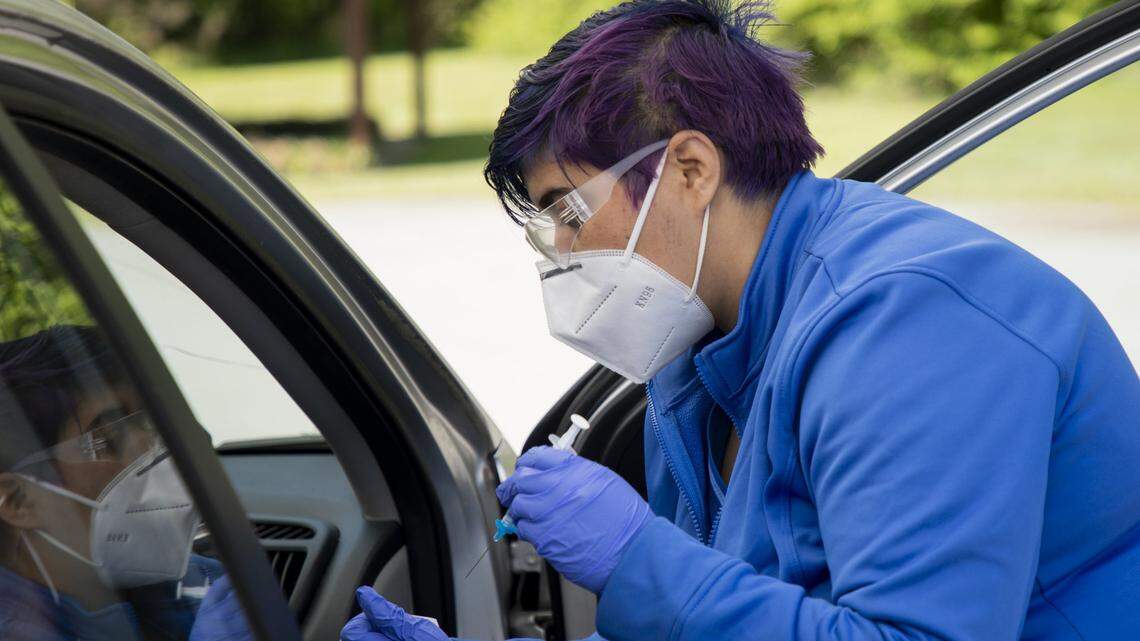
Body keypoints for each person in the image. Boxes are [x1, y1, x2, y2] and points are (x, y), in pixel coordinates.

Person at [343, 1, 1140, 640]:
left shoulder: (909, 320)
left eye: (569, 211)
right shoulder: (696, 355)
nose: (557, 254)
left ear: (691, 169)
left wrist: (638, 561)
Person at [0, 324, 250, 641]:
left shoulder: (191, 580)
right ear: (18, 501)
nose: (155, 452)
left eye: (149, 423)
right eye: (110, 437)